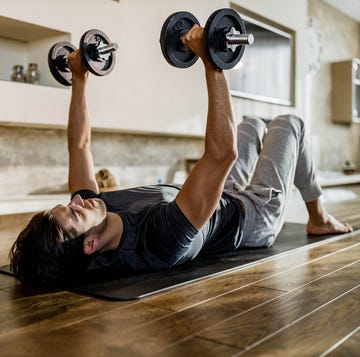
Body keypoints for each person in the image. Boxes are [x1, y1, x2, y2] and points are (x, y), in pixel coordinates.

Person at [9, 25, 352, 288]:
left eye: (67, 205)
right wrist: (211, 60)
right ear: (90, 245)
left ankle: (313, 209)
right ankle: (318, 217)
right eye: (73, 214)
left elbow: (79, 145)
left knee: (249, 125)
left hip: (227, 195)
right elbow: (222, 155)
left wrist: (80, 79)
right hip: (254, 216)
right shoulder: (158, 240)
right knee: (288, 124)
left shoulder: (92, 217)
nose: (76, 202)